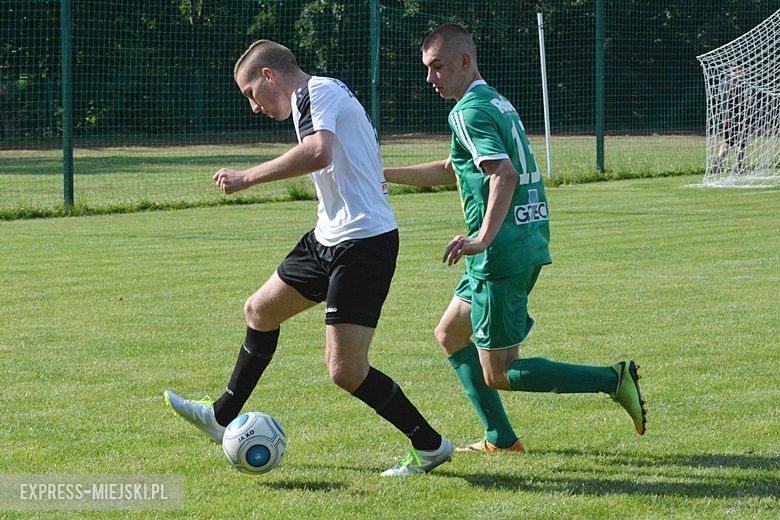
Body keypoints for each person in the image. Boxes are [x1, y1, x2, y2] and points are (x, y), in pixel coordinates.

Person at [163, 39, 452, 477]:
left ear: (268, 76)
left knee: (345, 371)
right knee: (259, 311)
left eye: (251, 95)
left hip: (363, 244)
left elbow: (319, 152)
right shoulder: (314, 97)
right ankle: (221, 416)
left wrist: (247, 177)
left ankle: (430, 446)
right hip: (327, 237)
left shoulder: (317, 92)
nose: (254, 107)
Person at [383, 23, 647, 451]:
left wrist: (482, 239)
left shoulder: (467, 112)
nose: (430, 78)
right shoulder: (495, 102)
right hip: (521, 240)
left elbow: (503, 174)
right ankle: (500, 438)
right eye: (427, 68)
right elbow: (453, 169)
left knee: (500, 372)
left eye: (438, 67)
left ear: (464, 61)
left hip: (500, 253)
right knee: (450, 335)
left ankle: (612, 379)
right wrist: (384, 175)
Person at [713, 62, 753, 176]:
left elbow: (721, 97)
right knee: (740, 143)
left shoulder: (723, 81)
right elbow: (749, 101)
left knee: (728, 141)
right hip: (740, 117)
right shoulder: (744, 82)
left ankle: (718, 163)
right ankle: (737, 168)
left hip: (728, 116)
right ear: (740, 69)